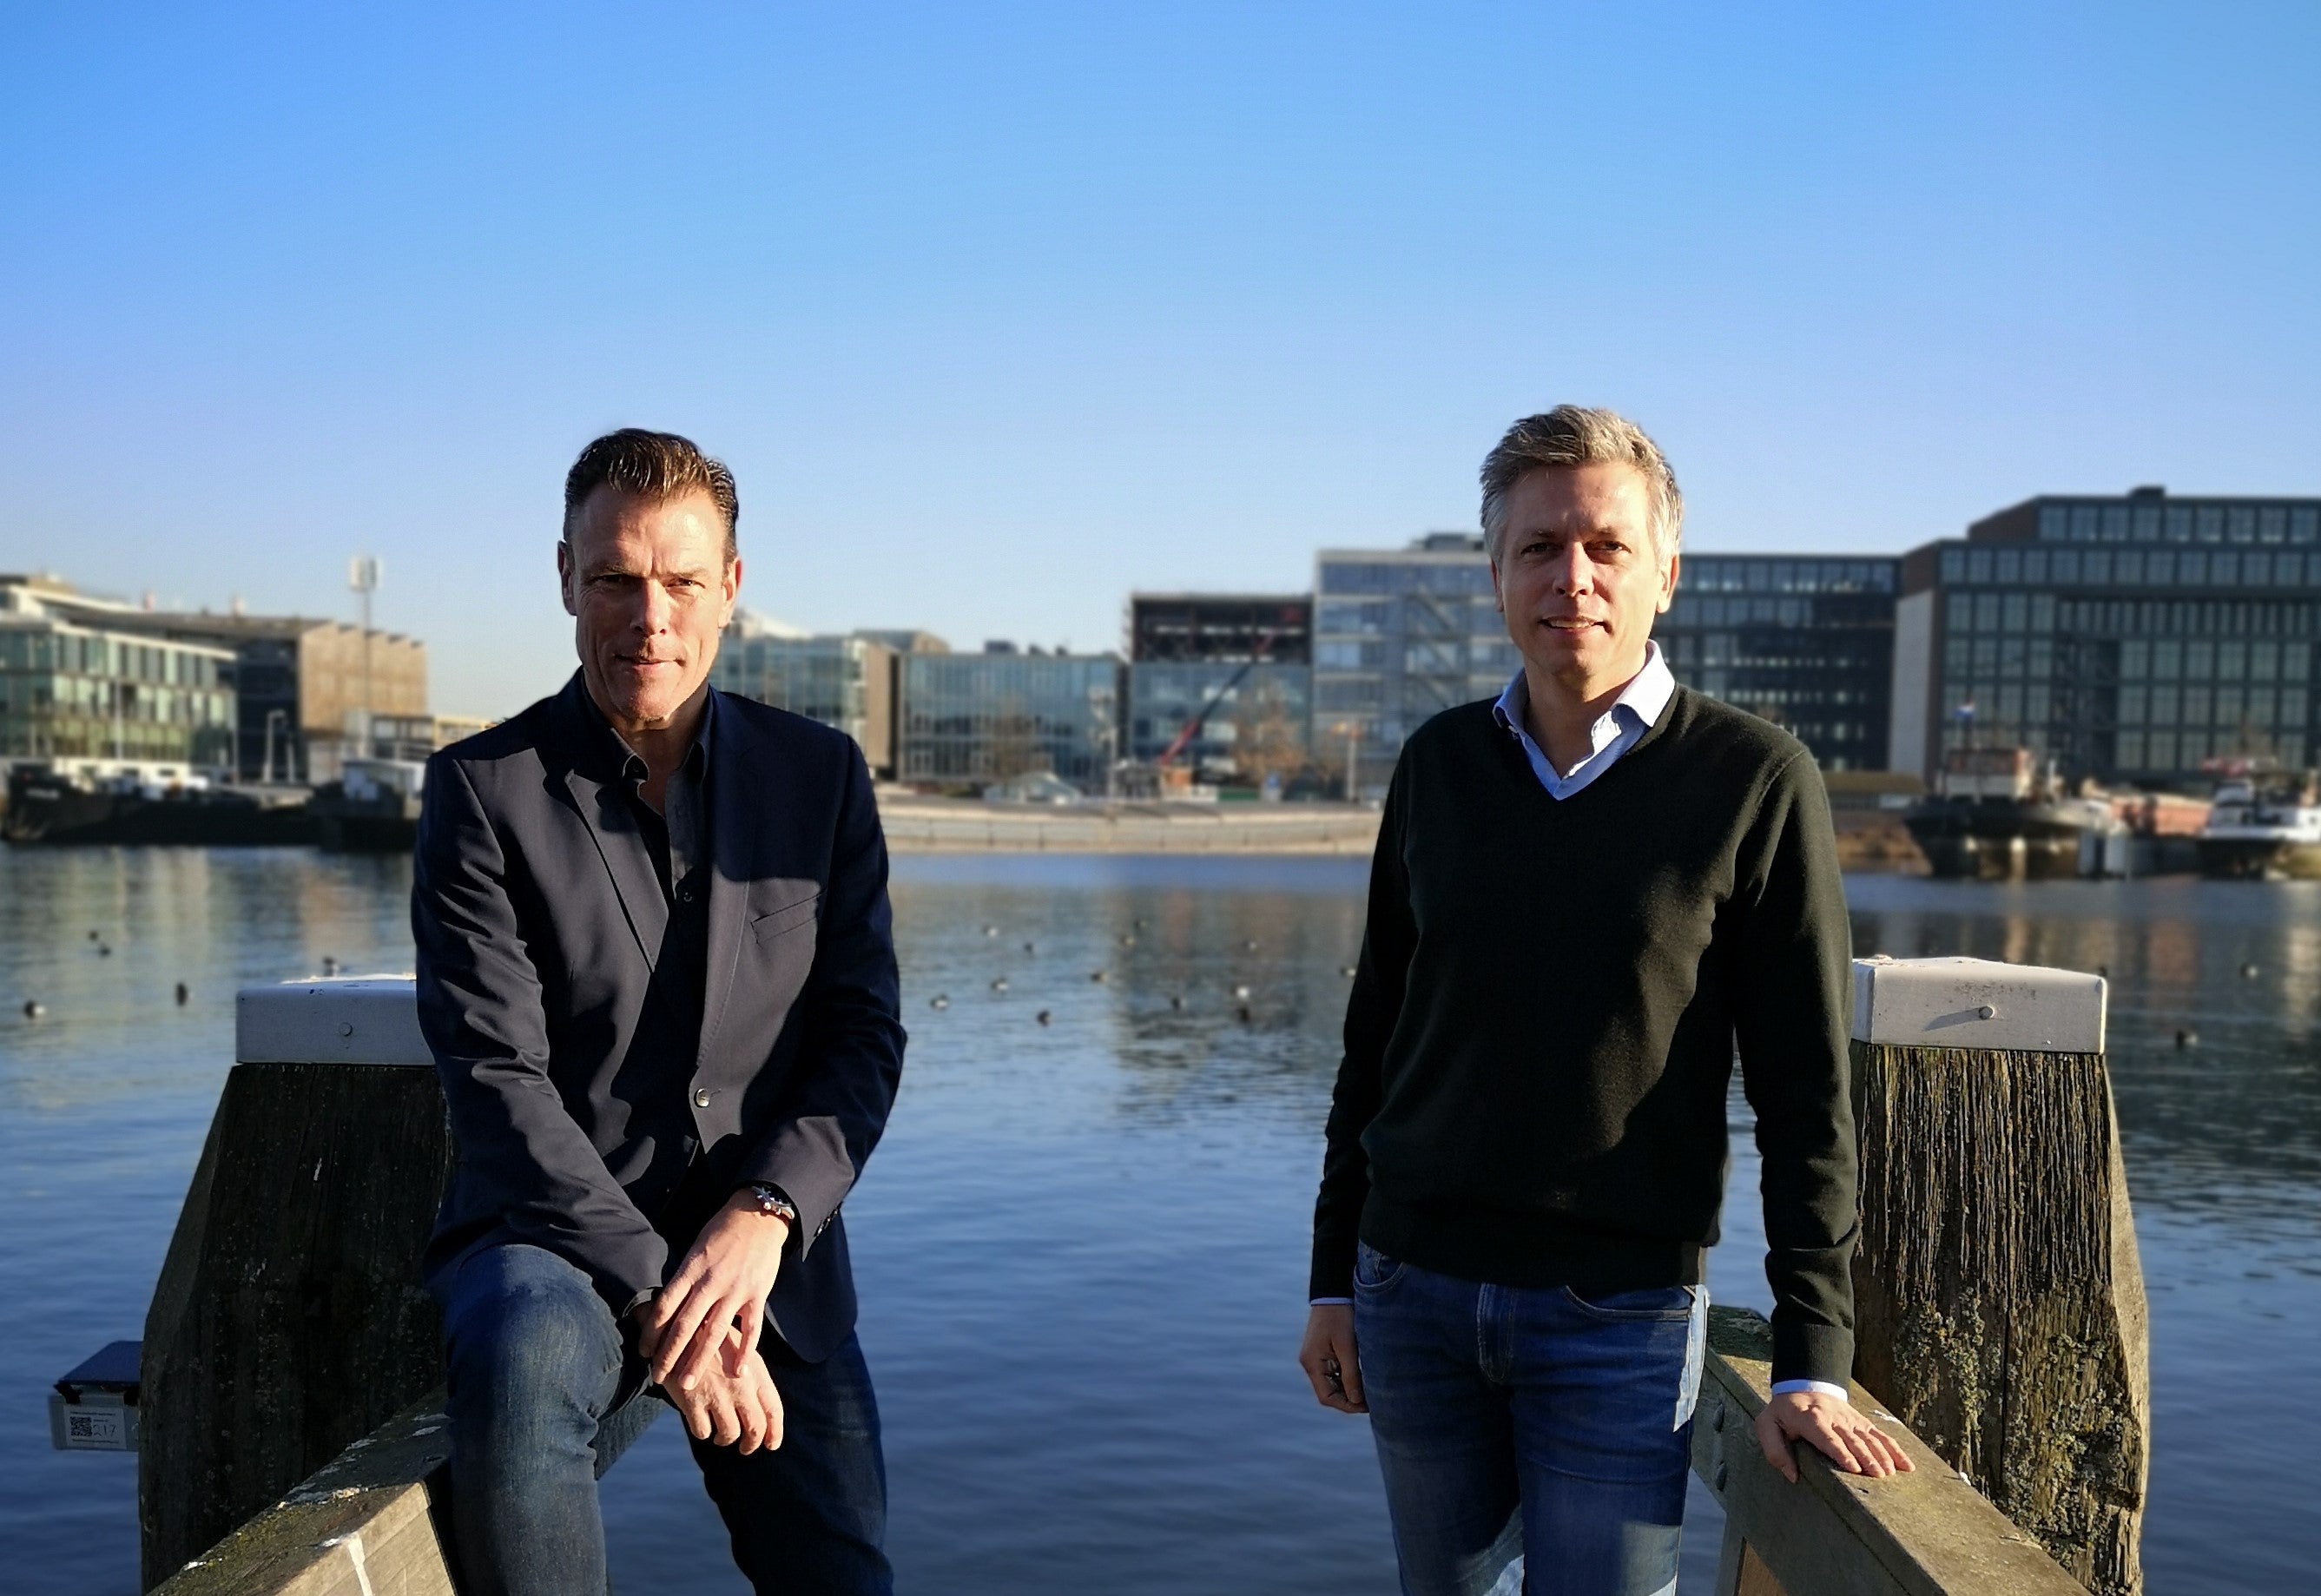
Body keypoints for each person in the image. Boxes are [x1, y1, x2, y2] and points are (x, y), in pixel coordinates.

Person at [1297, 406, 1909, 1596]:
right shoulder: (1436, 767)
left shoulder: (1753, 779)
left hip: (1615, 1318)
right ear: (1494, 576)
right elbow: (1373, 1040)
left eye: (1603, 546)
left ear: (1663, 572)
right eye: (1537, 547)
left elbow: (1804, 1096)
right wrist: (1331, 1274)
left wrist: (1808, 1360)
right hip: (1409, 1291)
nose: (1568, 577)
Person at [412, 428, 905, 1595]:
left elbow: (861, 1033)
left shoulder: (820, 775)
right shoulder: (484, 792)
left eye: (681, 579)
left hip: (763, 1258)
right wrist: (658, 1287)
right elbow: (495, 1077)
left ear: (729, 586)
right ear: (565, 578)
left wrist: (767, 1211)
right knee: (521, 1359)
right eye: (614, 579)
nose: (650, 615)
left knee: (845, 1575)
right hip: (554, 1243)